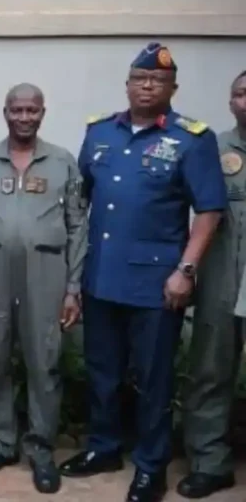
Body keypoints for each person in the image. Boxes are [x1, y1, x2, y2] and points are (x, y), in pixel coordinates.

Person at [60, 43, 226, 502]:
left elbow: (209, 211)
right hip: (101, 276)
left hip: (156, 285)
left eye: (157, 80)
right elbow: (81, 201)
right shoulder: (100, 133)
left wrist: (186, 270)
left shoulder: (192, 139)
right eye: (139, 78)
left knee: (154, 379)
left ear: (172, 88)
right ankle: (104, 447)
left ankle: (151, 466)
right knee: (102, 372)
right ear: (127, 84)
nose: (147, 86)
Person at [0, 83, 86, 494]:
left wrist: (73, 287)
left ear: (42, 114)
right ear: (6, 113)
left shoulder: (62, 162)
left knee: (43, 363)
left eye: (32, 110)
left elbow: (77, 226)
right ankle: (0, 442)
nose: (24, 117)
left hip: (45, 276)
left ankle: (41, 449)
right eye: (17, 110)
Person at [177, 70, 246, 499]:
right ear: (230, 101)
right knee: (210, 369)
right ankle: (209, 462)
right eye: (241, 93)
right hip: (223, 276)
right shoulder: (213, 149)